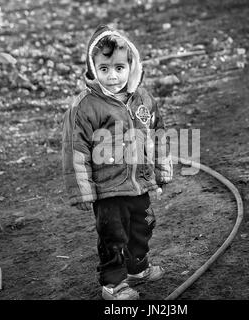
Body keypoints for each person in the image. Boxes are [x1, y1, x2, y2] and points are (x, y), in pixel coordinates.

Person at [62, 24, 173, 300]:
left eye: (119, 68)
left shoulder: (143, 100)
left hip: (139, 183)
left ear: (131, 65)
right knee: (113, 235)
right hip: (107, 189)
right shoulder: (85, 106)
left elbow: (157, 136)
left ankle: (137, 268)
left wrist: (161, 169)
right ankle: (113, 283)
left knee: (143, 224)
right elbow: (75, 150)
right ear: (92, 68)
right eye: (104, 69)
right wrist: (82, 189)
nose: (113, 77)